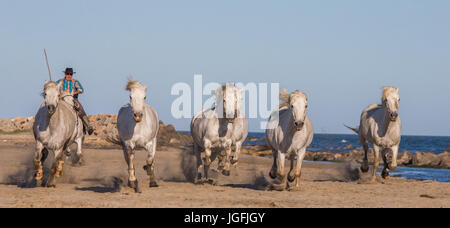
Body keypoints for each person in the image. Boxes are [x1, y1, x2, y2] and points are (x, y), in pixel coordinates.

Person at [57, 68, 94, 135]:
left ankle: (88, 126)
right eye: (67, 74)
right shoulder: (60, 82)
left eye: (70, 74)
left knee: (80, 109)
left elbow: (81, 90)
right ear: (65, 74)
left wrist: (74, 92)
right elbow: (55, 88)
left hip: (73, 99)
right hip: (62, 99)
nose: (69, 75)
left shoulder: (75, 82)